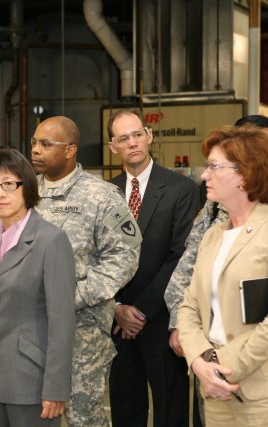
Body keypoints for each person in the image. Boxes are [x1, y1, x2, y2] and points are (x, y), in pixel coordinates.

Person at [164, 114, 268, 426]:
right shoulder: (213, 234)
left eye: (215, 166)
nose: (205, 174)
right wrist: (200, 360)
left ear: (244, 175)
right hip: (217, 391)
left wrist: (221, 363)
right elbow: (189, 304)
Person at [31, 116, 142, 426]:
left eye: (46, 144)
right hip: (32, 328)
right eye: (34, 143)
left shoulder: (103, 196)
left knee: (84, 417)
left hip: (83, 330)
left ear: (70, 150)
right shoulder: (25, 195)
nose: (36, 150)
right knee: (35, 412)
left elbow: (127, 255)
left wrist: (71, 297)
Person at [0, 148, 76, 427]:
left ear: (27, 186)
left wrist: (56, 388)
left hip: (31, 383)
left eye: (9, 184)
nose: (0, 193)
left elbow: (61, 321)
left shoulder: (51, 240)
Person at [107, 109, 200, 427]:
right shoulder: (106, 193)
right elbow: (96, 255)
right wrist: (118, 307)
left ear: (149, 136)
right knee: (125, 408)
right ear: (113, 147)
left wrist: (142, 310)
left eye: (137, 134)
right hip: (117, 325)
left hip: (161, 320)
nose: (132, 142)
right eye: (123, 138)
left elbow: (181, 256)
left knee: (170, 411)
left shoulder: (180, 189)